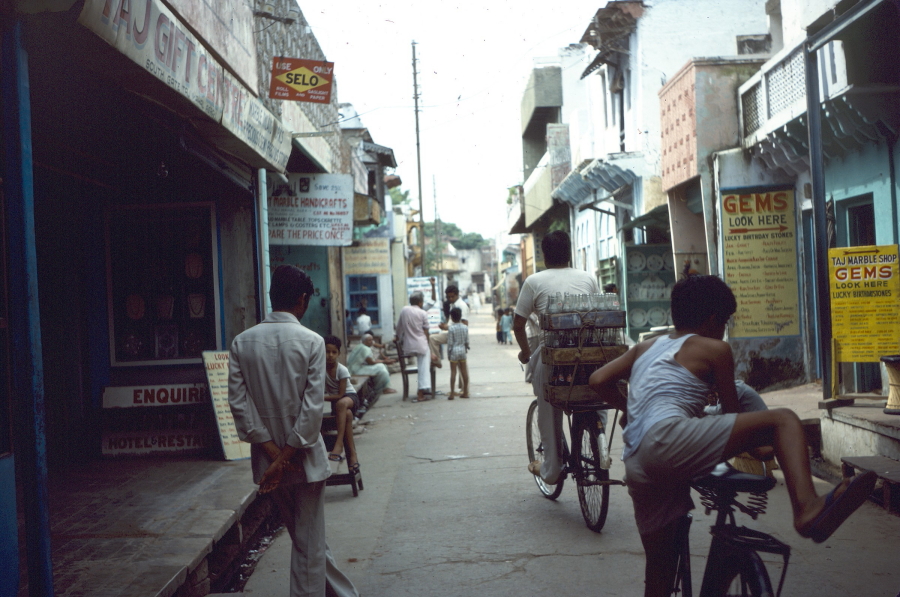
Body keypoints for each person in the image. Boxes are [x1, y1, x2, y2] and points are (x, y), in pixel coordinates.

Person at [588, 274, 878, 597]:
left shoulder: (645, 346)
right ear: (714, 320)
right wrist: (761, 447)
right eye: (725, 321)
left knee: (659, 567)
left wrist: (629, 407)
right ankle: (807, 508)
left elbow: (599, 379)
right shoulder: (715, 348)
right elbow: (732, 415)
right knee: (782, 419)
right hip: (670, 440)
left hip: (637, 461)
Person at [228, 265, 359, 597]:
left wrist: (273, 456)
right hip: (303, 460)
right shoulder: (312, 342)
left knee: (306, 536)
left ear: (273, 297)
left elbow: (240, 407)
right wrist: (287, 455)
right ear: (302, 299)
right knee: (308, 541)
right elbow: (312, 408)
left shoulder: (242, 343)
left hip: (268, 462)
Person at [513, 230, 600, 484]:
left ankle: (551, 470)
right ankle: (598, 441)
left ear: (543, 255)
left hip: (553, 356)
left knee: (548, 409)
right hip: (590, 354)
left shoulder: (534, 281)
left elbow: (518, 325)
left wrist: (525, 352)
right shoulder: (588, 278)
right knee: (596, 397)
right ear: (570, 252)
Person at [323, 335, 360, 474]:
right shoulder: (320, 369)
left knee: (342, 405)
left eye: (334, 352)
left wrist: (321, 398)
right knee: (347, 415)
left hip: (350, 398)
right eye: (327, 352)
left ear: (338, 353)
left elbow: (340, 395)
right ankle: (353, 458)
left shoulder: (342, 369)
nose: (330, 355)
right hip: (338, 405)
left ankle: (338, 444)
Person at [396, 292, 432, 402]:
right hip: (420, 344)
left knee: (424, 361)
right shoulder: (422, 313)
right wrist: (427, 344)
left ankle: (424, 387)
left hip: (408, 346)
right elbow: (426, 331)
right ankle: (421, 392)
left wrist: (397, 337)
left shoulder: (404, 310)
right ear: (420, 302)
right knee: (424, 365)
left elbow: (399, 328)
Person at [428, 284, 469, 368]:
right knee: (432, 338)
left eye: (452, 297)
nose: (450, 299)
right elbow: (453, 323)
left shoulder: (461, 305)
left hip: (457, 336)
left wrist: (448, 327)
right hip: (451, 333)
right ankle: (437, 361)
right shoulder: (452, 304)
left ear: (457, 295)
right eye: (448, 297)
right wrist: (445, 326)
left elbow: (464, 324)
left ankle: (437, 361)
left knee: (461, 367)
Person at [347, 333, 397, 398]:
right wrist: (384, 361)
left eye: (372, 340)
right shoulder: (365, 348)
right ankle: (382, 389)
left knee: (382, 366)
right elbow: (371, 362)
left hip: (353, 369)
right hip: (356, 370)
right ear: (364, 341)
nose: (371, 342)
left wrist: (384, 360)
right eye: (369, 340)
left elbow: (372, 359)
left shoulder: (360, 346)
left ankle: (385, 387)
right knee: (381, 368)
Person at [447, 307, 469, 400]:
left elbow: (450, 343)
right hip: (462, 351)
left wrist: (448, 353)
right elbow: (467, 341)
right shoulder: (465, 327)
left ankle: (452, 393)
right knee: (464, 372)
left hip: (454, 352)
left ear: (451, 317)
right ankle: (466, 392)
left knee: (453, 372)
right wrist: (466, 348)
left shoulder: (451, 328)